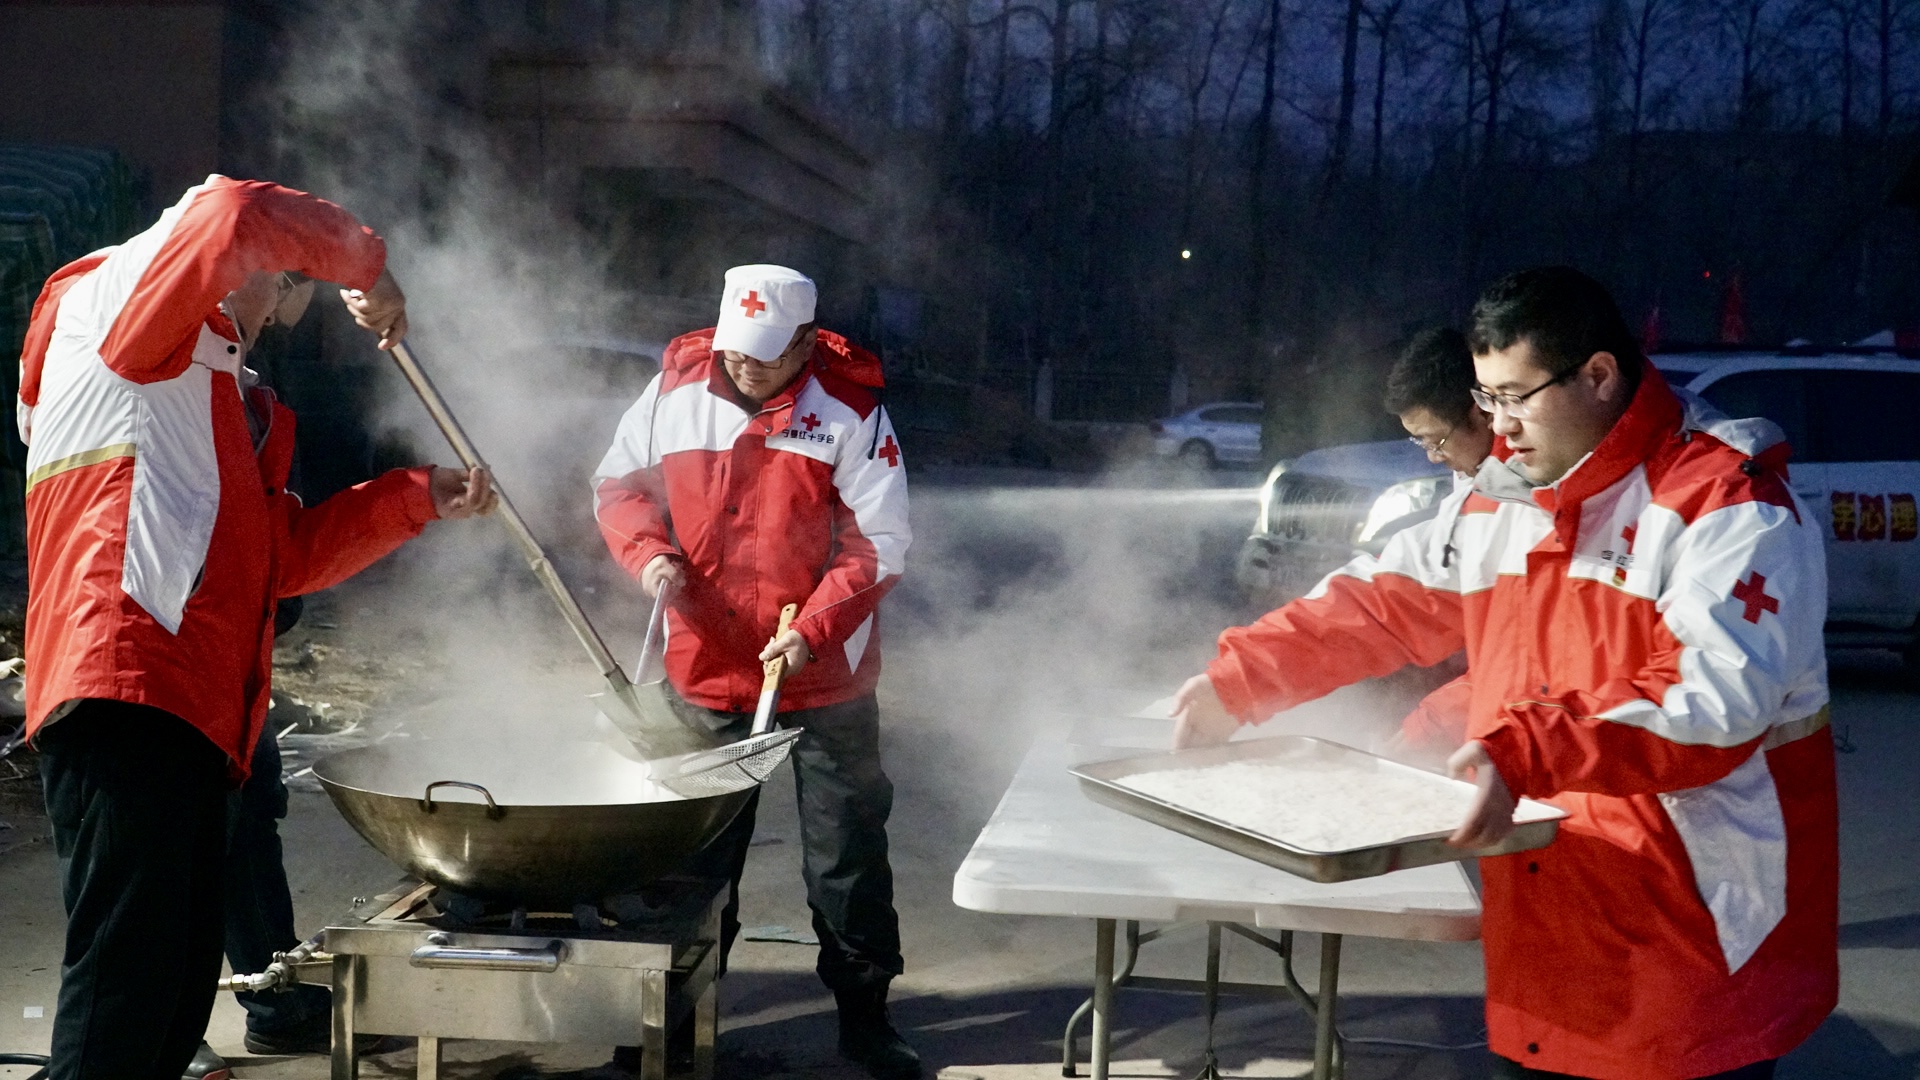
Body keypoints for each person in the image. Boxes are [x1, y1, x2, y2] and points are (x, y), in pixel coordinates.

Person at [1172, 267, 1836, 1079]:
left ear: (1598, 374)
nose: (1497, 425)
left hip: (1694, 944)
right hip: (1546, 922)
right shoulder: (1507, 501)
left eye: (1515, 397)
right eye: (1486, 400)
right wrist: (1239, 681)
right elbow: (1379, 602)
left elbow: (1713, 700)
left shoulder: (1727, 506)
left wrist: (1520, 750)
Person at [20, 175, 498, 1080]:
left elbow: (277, 561)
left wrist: (416, 497)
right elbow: (233, 213)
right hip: (128, 682)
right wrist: (368, 264)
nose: (279, 314)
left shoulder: (217, 395)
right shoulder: (122, 308)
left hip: (198, 707)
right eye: (285, 284)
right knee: (123, 991)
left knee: (174, 983)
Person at [592, 265, 918, 1079]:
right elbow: (618, 485)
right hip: (702, 666)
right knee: (686, 865)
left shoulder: (849, 411)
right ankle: (667, 1022)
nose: (746, 368)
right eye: (738, 352)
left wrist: (811, 629)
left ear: (807, 343)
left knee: (844, 861)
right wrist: (651, 554)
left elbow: (881, 545)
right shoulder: (674, 389)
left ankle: (865, 1020)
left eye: (768, 357)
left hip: (821, 679)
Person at [1377, 327, 1495, 766]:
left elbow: (1544, 665)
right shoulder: (1479, 480)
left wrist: (1437, 723)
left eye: (1435, 439)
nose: (1430, 455)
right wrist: (1245, 674)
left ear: (1481, 412)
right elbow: (1394, 600)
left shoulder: (1532, 492)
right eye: (1419, 440)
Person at [1386, 326, 1495, 479]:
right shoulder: (1469, 480)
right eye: (1424, 443)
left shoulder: (1526, 493)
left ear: (1484, 412)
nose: (1433, 458)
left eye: (1437, 443)